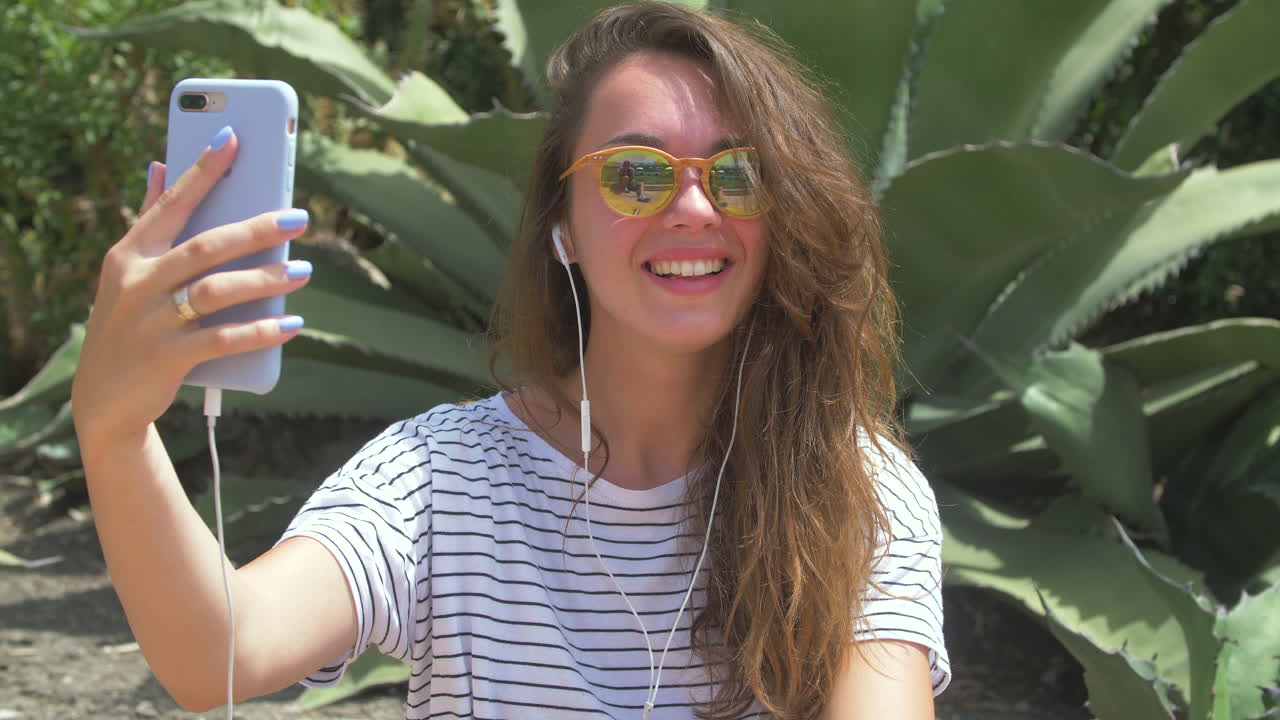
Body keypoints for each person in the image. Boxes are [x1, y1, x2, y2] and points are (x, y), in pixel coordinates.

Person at [71, 3, 949, 718]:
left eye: (739, 175)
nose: (691, 206)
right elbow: (223, 654)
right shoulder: (440, 478)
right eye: (635, 175)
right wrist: (115, 431)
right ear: (563, 226)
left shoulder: (858, 490)